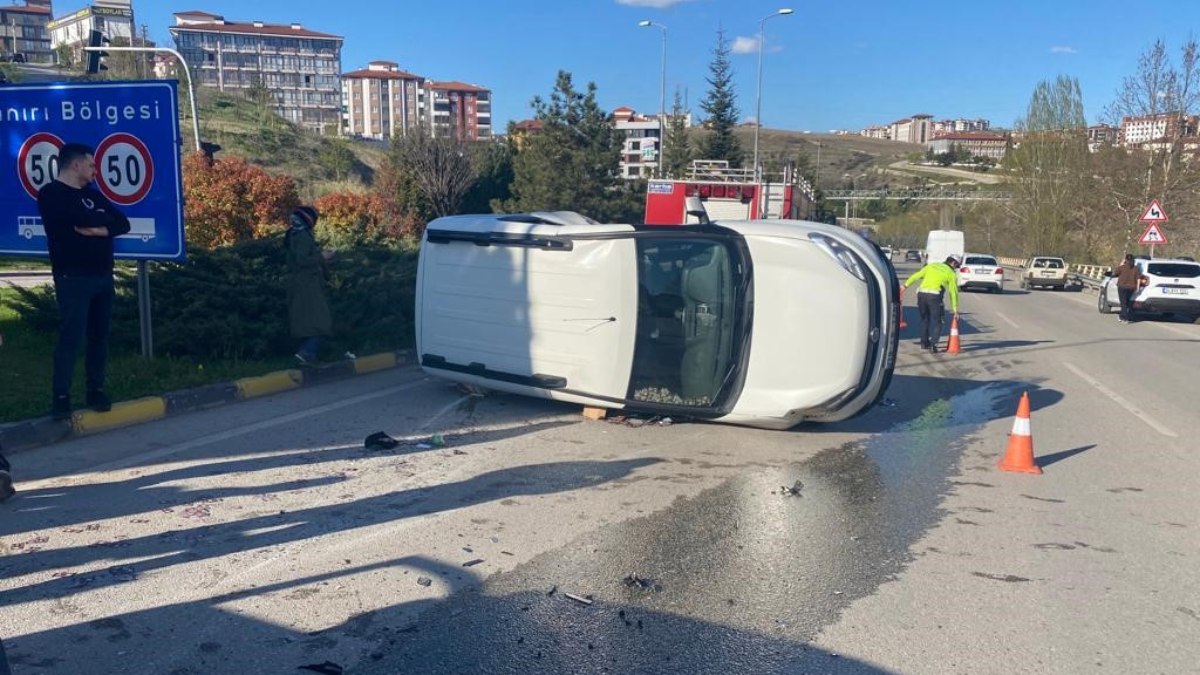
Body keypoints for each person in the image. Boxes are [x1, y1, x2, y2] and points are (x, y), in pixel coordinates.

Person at [37, 142, 131, 420]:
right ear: (75, 164)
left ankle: (96, 390)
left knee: (99, 337)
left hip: (102, 276)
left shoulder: (94, 195)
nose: (95, 171)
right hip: (73, 276)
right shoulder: (51, 194)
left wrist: (99, 228)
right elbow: (75, 218)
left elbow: (121, 223)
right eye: (91, 165)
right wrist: (101, 223)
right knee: (71, 337)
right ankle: (61, 396)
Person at [285, 206, 333, 365]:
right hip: (308, 285)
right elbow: (303, 260)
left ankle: (306, 354)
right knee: (321, 322)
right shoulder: (303, 236)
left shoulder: (293, 234)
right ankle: (307, 353)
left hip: (301, 284)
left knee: (307, 322)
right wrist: (322, 257)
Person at [902, 255, 960, 353]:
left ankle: (924, 343)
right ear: (953, 263)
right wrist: (955, 309)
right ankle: (934, 344)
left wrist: (904, 286)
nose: (956, 268)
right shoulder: (951, 273)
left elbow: (916, 275)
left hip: (921, 294)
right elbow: (953, 292)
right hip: (935, 296)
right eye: (957, 266)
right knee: (938, 321)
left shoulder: (932, 266)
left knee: (925, 319)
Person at [1114, 253, 1147, 324]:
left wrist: (1121, 264)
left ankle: (1125, 318)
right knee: (1126, 302)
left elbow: (1115, 273)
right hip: (1131, 288)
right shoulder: (1136, 268)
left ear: (1126, 260)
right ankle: (1121, 316)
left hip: (1122, 287)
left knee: (1123, 302)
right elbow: (1138, 278)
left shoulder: (1122, 267)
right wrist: (1137, 287)